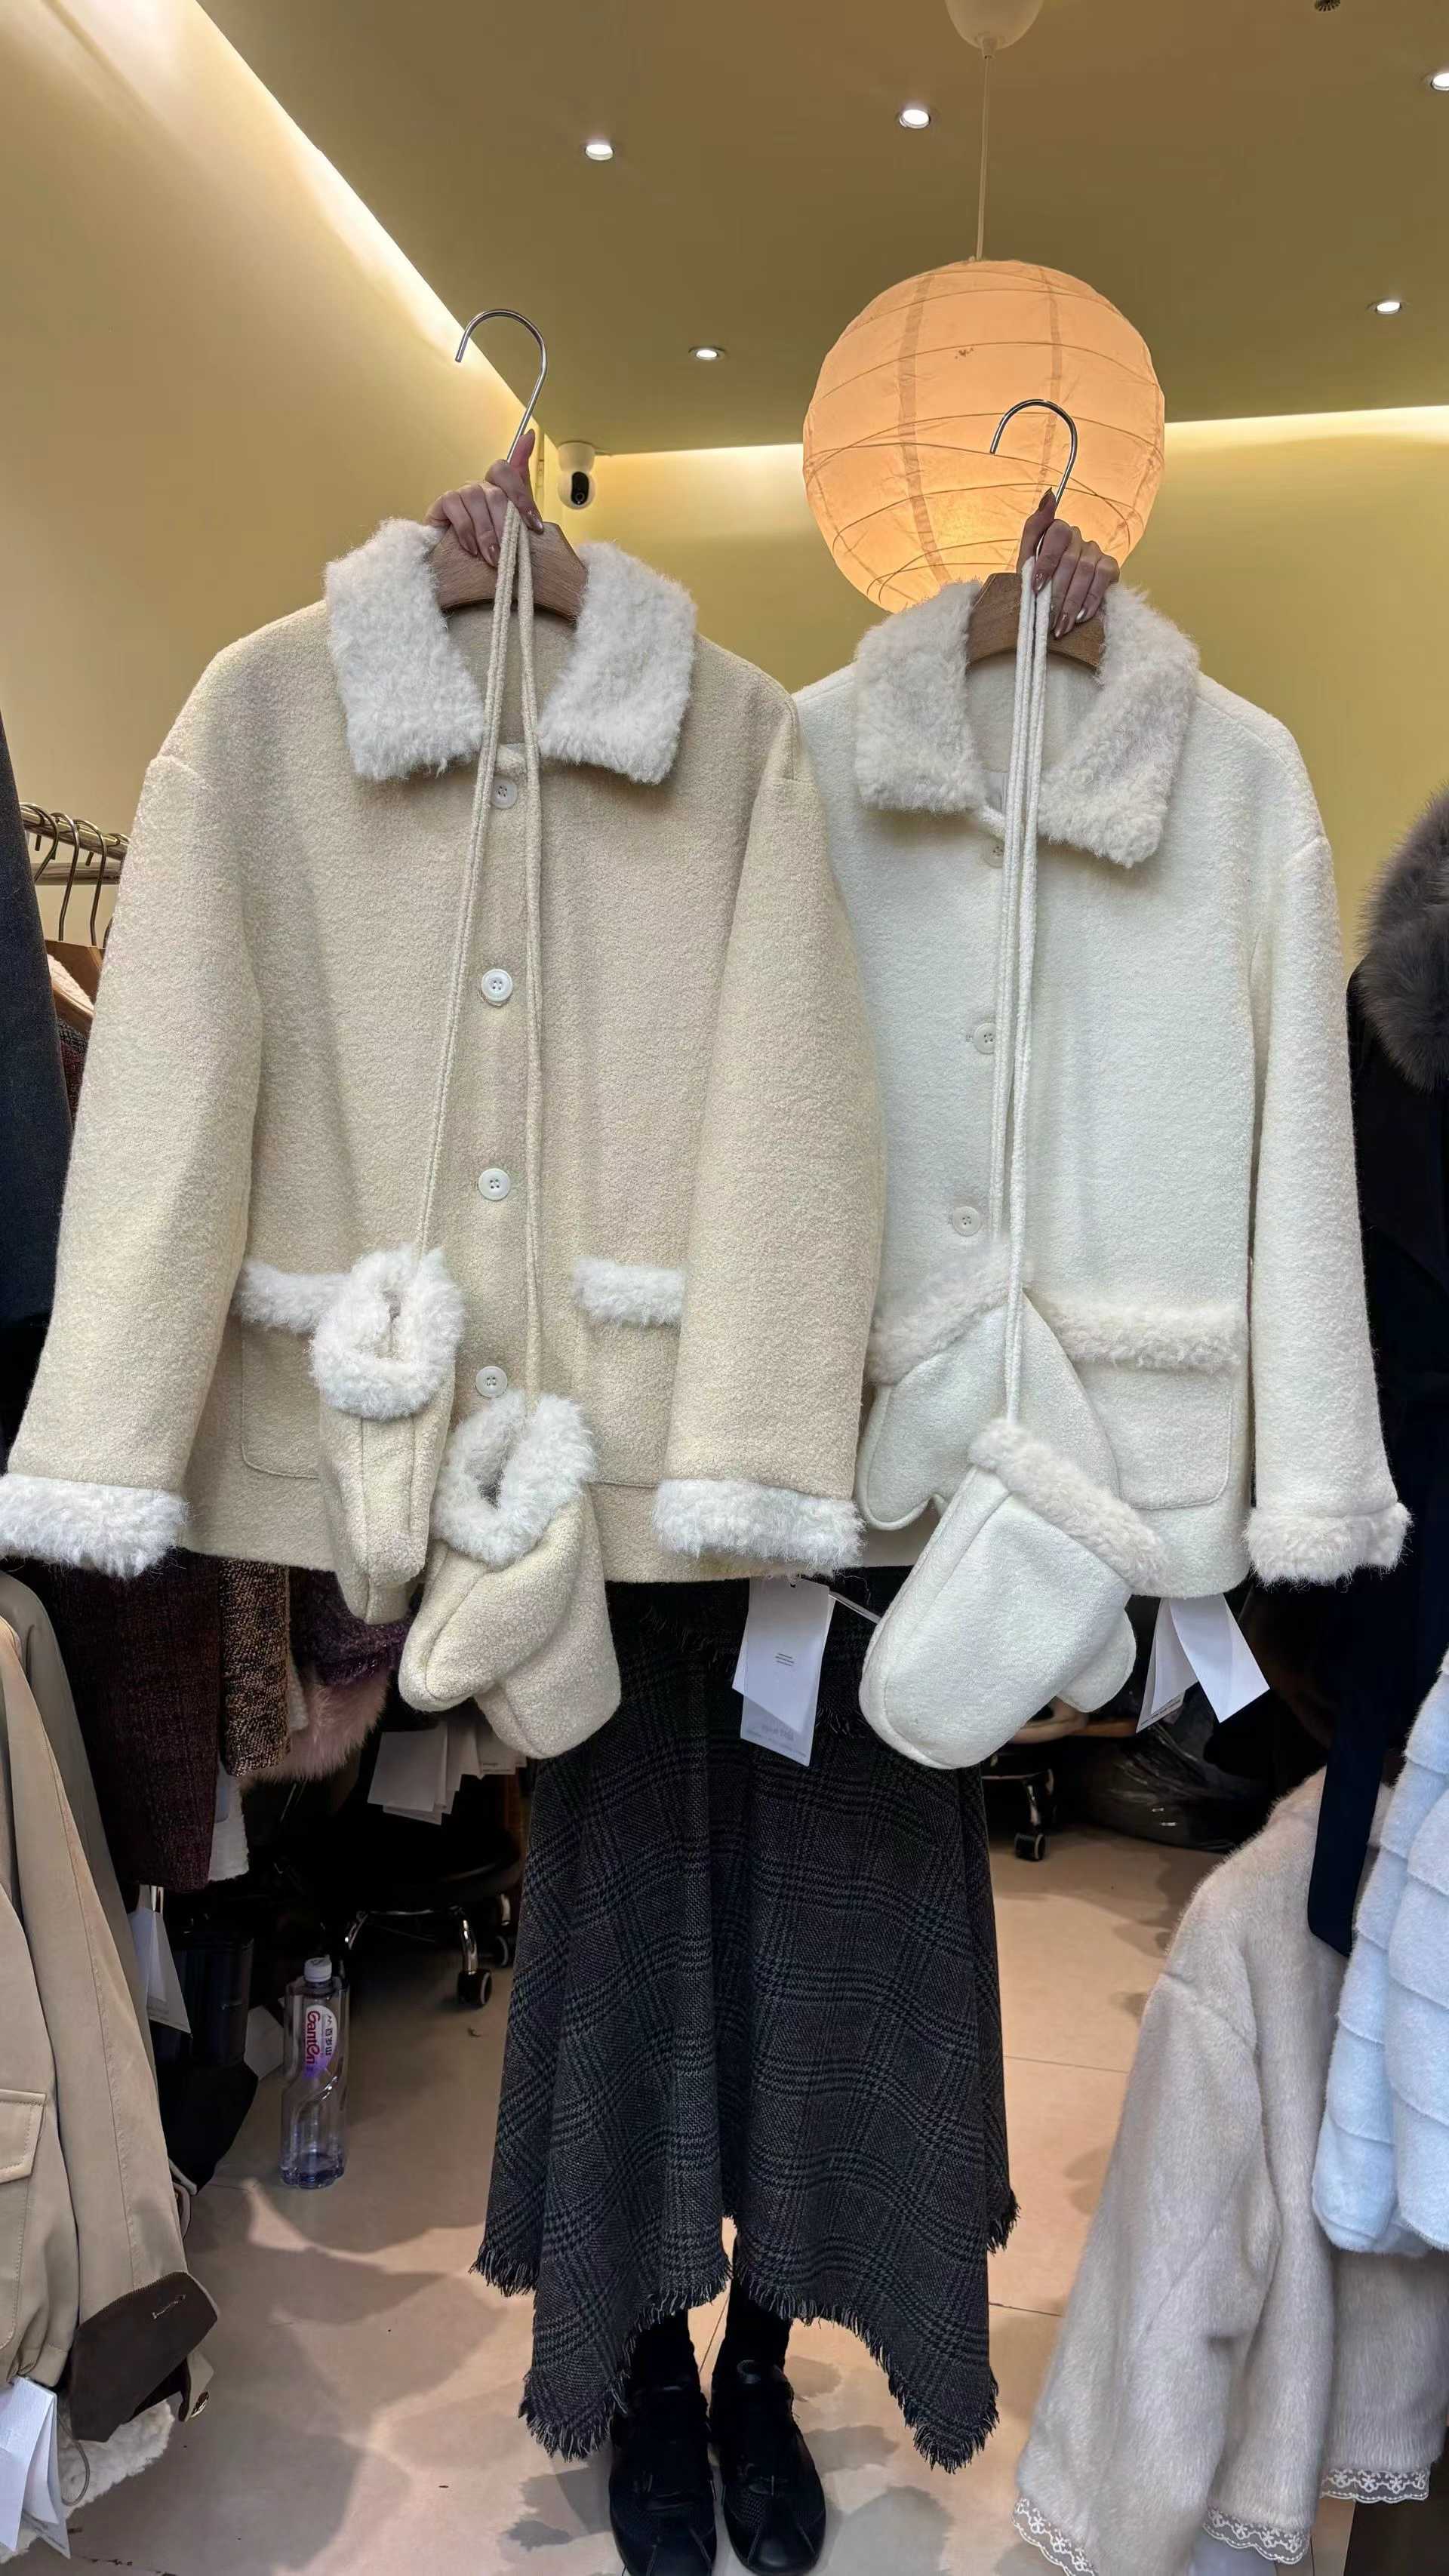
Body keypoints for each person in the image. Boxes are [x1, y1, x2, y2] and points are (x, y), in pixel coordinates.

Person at [425, 442, 1120, 2576]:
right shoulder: (723, 760)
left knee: (841, 1959)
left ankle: (757, 2363)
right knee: (640, 1930)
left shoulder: (1013, 794)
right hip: (659, 1477)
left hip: (880, 1492)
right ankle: (640, 2353)